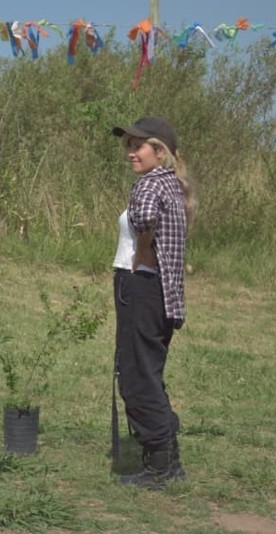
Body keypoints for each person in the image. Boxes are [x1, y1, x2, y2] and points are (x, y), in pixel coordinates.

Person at [109, 116, 196, 490]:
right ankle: (167, 460)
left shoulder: (150, 184)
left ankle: (160, 466)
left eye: (138, 146)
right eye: (129, 145)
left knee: (137, 377)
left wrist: (142, 250)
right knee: (148, 372)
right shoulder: (172, 184)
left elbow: (144, 217)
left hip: (141, 286)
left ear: (159, 151)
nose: (131, 152)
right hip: (157, 291)